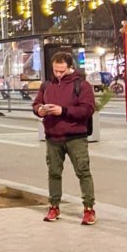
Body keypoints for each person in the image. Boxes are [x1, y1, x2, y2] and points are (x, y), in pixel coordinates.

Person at [33, 52, 97, 225]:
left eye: (62, 71)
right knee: (54, 173)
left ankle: (89, 208)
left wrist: (64, 111)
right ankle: (54, 205)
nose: (59, 74)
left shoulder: (82, 85)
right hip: (53, 136)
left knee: (83, 172)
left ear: (70, 67)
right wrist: (40, 109)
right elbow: (36, 103)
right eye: (56, 71)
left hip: (75, 136)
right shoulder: (47, 85)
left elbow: (88, 109)